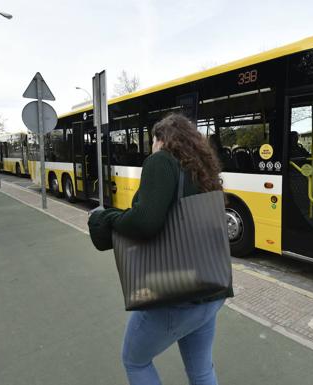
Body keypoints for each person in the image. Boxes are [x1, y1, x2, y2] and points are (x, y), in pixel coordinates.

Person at [90, 113, 232, 385]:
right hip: (212, 287)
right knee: (201, 369)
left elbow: (145, 221)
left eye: (152, 141)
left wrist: (106, 218)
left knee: (135, 360)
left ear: (160, 139)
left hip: (178, 293)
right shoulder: (203, 171)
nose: (151, 147)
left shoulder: (161, 161)